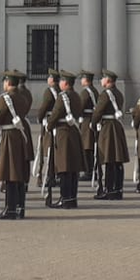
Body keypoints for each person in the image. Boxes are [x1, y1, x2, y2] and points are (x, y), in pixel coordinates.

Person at [0, 70, 28, 219]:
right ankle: (20, 207)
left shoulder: (5, 99)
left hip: (8, 138)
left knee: (10, 173)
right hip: (19, 136)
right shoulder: (23, 98)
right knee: (18, 173)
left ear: (7, 82)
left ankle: (10, 209)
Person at [46, 69, 83, 209]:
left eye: (61, 80)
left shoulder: (63, 97)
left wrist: (49, 126)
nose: (59, 82)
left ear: (65, 83)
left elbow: (55, 115)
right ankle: (72, 198)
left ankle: (65, 198)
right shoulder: (76, 96)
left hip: (63, 134)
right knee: (73, 169)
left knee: (64, 169)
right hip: (73, 132)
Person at [92, 70, 129, 200]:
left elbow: (98, 112)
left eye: (102, 78)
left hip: (108, 128)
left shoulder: (105, 95)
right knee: (117, 160)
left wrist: (93, 124)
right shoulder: (118, 93)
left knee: (109, 160)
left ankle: (109, 189)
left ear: (107, 80)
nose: (101, 80)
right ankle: (118, 189)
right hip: (116, 127)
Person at [34, 69, 60, 189]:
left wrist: (39, 118)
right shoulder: (60, 91)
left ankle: (46, 176)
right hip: (58, 123)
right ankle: (54, 174)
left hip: (49, 122)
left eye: (49, 77)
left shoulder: (49, 92)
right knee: (55, 150)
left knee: (46, 150)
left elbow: (44, 106)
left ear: (52, 80)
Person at [78, 71, 99, 182]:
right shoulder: (94, 91)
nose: (81, 81)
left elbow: (80, 107)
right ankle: (92, 170)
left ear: (86, 80)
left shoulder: (85, 92)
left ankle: (89, 171)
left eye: (82, 78)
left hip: (87, 121)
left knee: (87, 147)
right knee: (90, 147)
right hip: (91, 119)